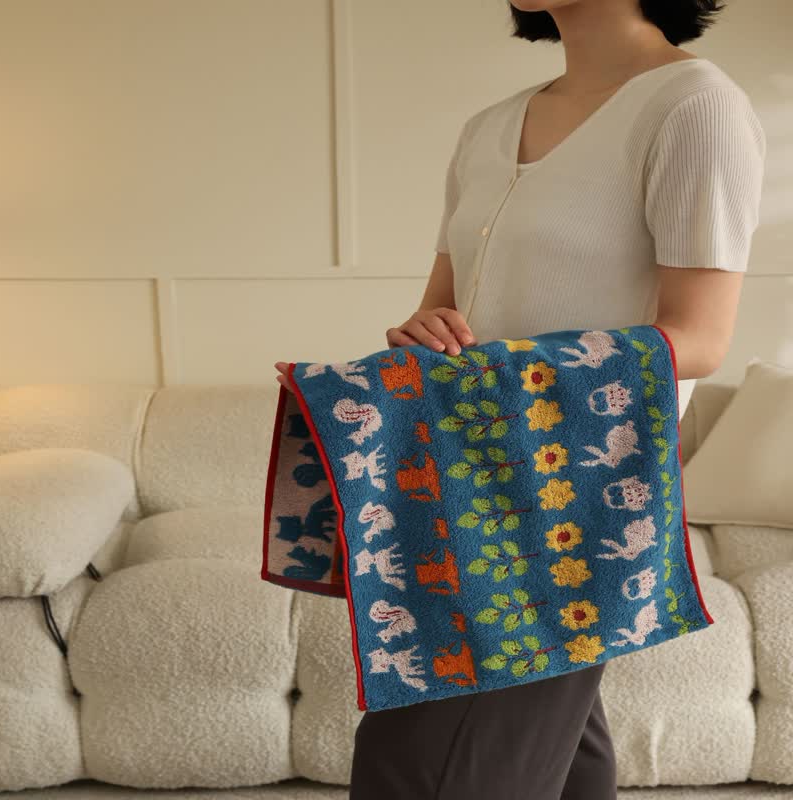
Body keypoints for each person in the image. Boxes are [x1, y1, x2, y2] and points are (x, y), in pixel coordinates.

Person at [275, 1, 766, 797]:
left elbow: (699, 338)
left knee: (422, 768)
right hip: (459, 477)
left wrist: (499, 375)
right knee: (547, 758)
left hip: (570, 489)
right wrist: (424, 334)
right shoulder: (490, 127)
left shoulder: (694, 106)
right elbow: (442, 312)